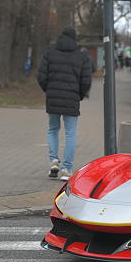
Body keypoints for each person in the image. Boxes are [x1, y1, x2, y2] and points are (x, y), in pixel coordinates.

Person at [37, 26, 92, 181]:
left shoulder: (49, 53)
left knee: (52, 129)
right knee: (70, 133)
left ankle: (54, 160)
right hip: (72, 100)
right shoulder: (81, 57)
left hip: (53, 98)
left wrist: (49, 90)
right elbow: (86, 80)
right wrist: (79, 95)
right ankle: (66, 169)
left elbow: (41, 76)